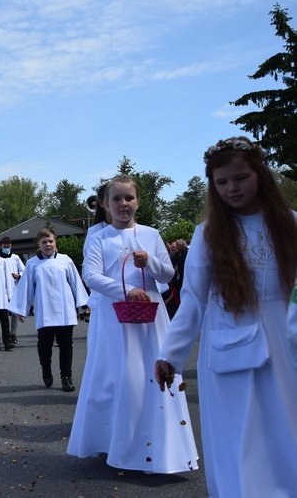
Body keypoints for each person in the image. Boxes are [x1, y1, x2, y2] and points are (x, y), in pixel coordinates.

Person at [156, 137, 297, 497]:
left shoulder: (291, 224)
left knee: (287, 435)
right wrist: (171, 355)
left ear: (260, 176)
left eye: (240, 178)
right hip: (229, 350)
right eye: (221, 183)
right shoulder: (208, 234)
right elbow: (193, 300)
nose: (231, 188)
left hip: (287, 346)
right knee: (238, 441)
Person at [67, 175, 198, 474]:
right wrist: (124, 290)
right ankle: (115, 441)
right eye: (116, 199)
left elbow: (167, 275)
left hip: (150, 318)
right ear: (105, 204)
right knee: (120, 376)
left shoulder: (151, 234)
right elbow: (91, 275)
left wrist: (149, 262)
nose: (123, 204)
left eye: (129, 198)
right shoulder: (98, 237)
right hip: (115, 317)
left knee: (152, 375)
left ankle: (159, 445)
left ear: (138, 202)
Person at [9, 228, 88, 391]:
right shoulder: (32, 264)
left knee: (66, 345)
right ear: (38, 244)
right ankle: (46, 369)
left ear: (55, 242)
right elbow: (25, 288)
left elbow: (75, 283)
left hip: (64, 310)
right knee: (44, 345)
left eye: (50, 241)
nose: (48, 244)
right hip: (44, 311)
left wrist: (84, 304)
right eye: (44, 241)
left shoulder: (65, 260)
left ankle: (66, 377)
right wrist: (20, 309)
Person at [0, 237, 25, 344]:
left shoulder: (15, 258)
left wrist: (19, 275)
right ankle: (6, 334)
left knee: (14, 313)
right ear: (1, 246)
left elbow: (24, 270)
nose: (6, 249)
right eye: (4, 247)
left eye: (8, 247)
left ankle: (13, 333)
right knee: (4, 314)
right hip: (2, 289)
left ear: (11, 246)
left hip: (14, 288)